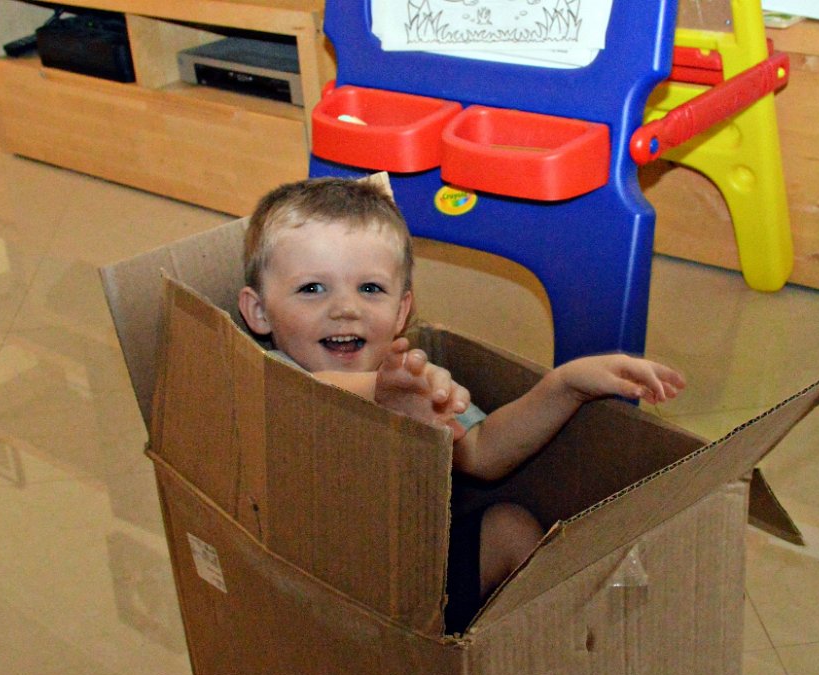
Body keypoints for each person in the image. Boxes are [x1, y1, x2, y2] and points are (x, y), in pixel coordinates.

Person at [237, 177, 685, 633]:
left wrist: (564, 386)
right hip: (314, 598)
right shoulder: (264, 373)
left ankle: (552, 649)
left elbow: (485, 452)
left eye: (370, 288)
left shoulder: (415, 379)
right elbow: (308, 397)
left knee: (510, 528)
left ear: (401, 312)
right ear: (259, 312)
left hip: (416, 591)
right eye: (313, 288)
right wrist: (380, 395)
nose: (345, 309)